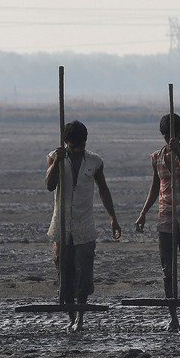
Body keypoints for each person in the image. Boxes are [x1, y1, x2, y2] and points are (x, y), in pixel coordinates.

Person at [45, 120, 121, 331]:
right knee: (64, 273)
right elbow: (49, 185)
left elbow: (103, 188)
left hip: (85, 226)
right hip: (61, 226)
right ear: (66, 143)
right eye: (74, 146)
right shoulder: (55, 156)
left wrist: (112, 217)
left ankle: (80, 318)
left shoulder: (95, 161)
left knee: (84, 274)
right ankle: (71, 317)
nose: (78, 150)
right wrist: (57, 164)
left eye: (82, 145)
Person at [135, 112, 180, 332]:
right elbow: (156, 187)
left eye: (171, 136)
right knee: (168, 271)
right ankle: (173, 317)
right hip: (165, 220)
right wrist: (143, 212)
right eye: (165, 136)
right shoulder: (156, 157)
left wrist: (179, 155)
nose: (168, 140)